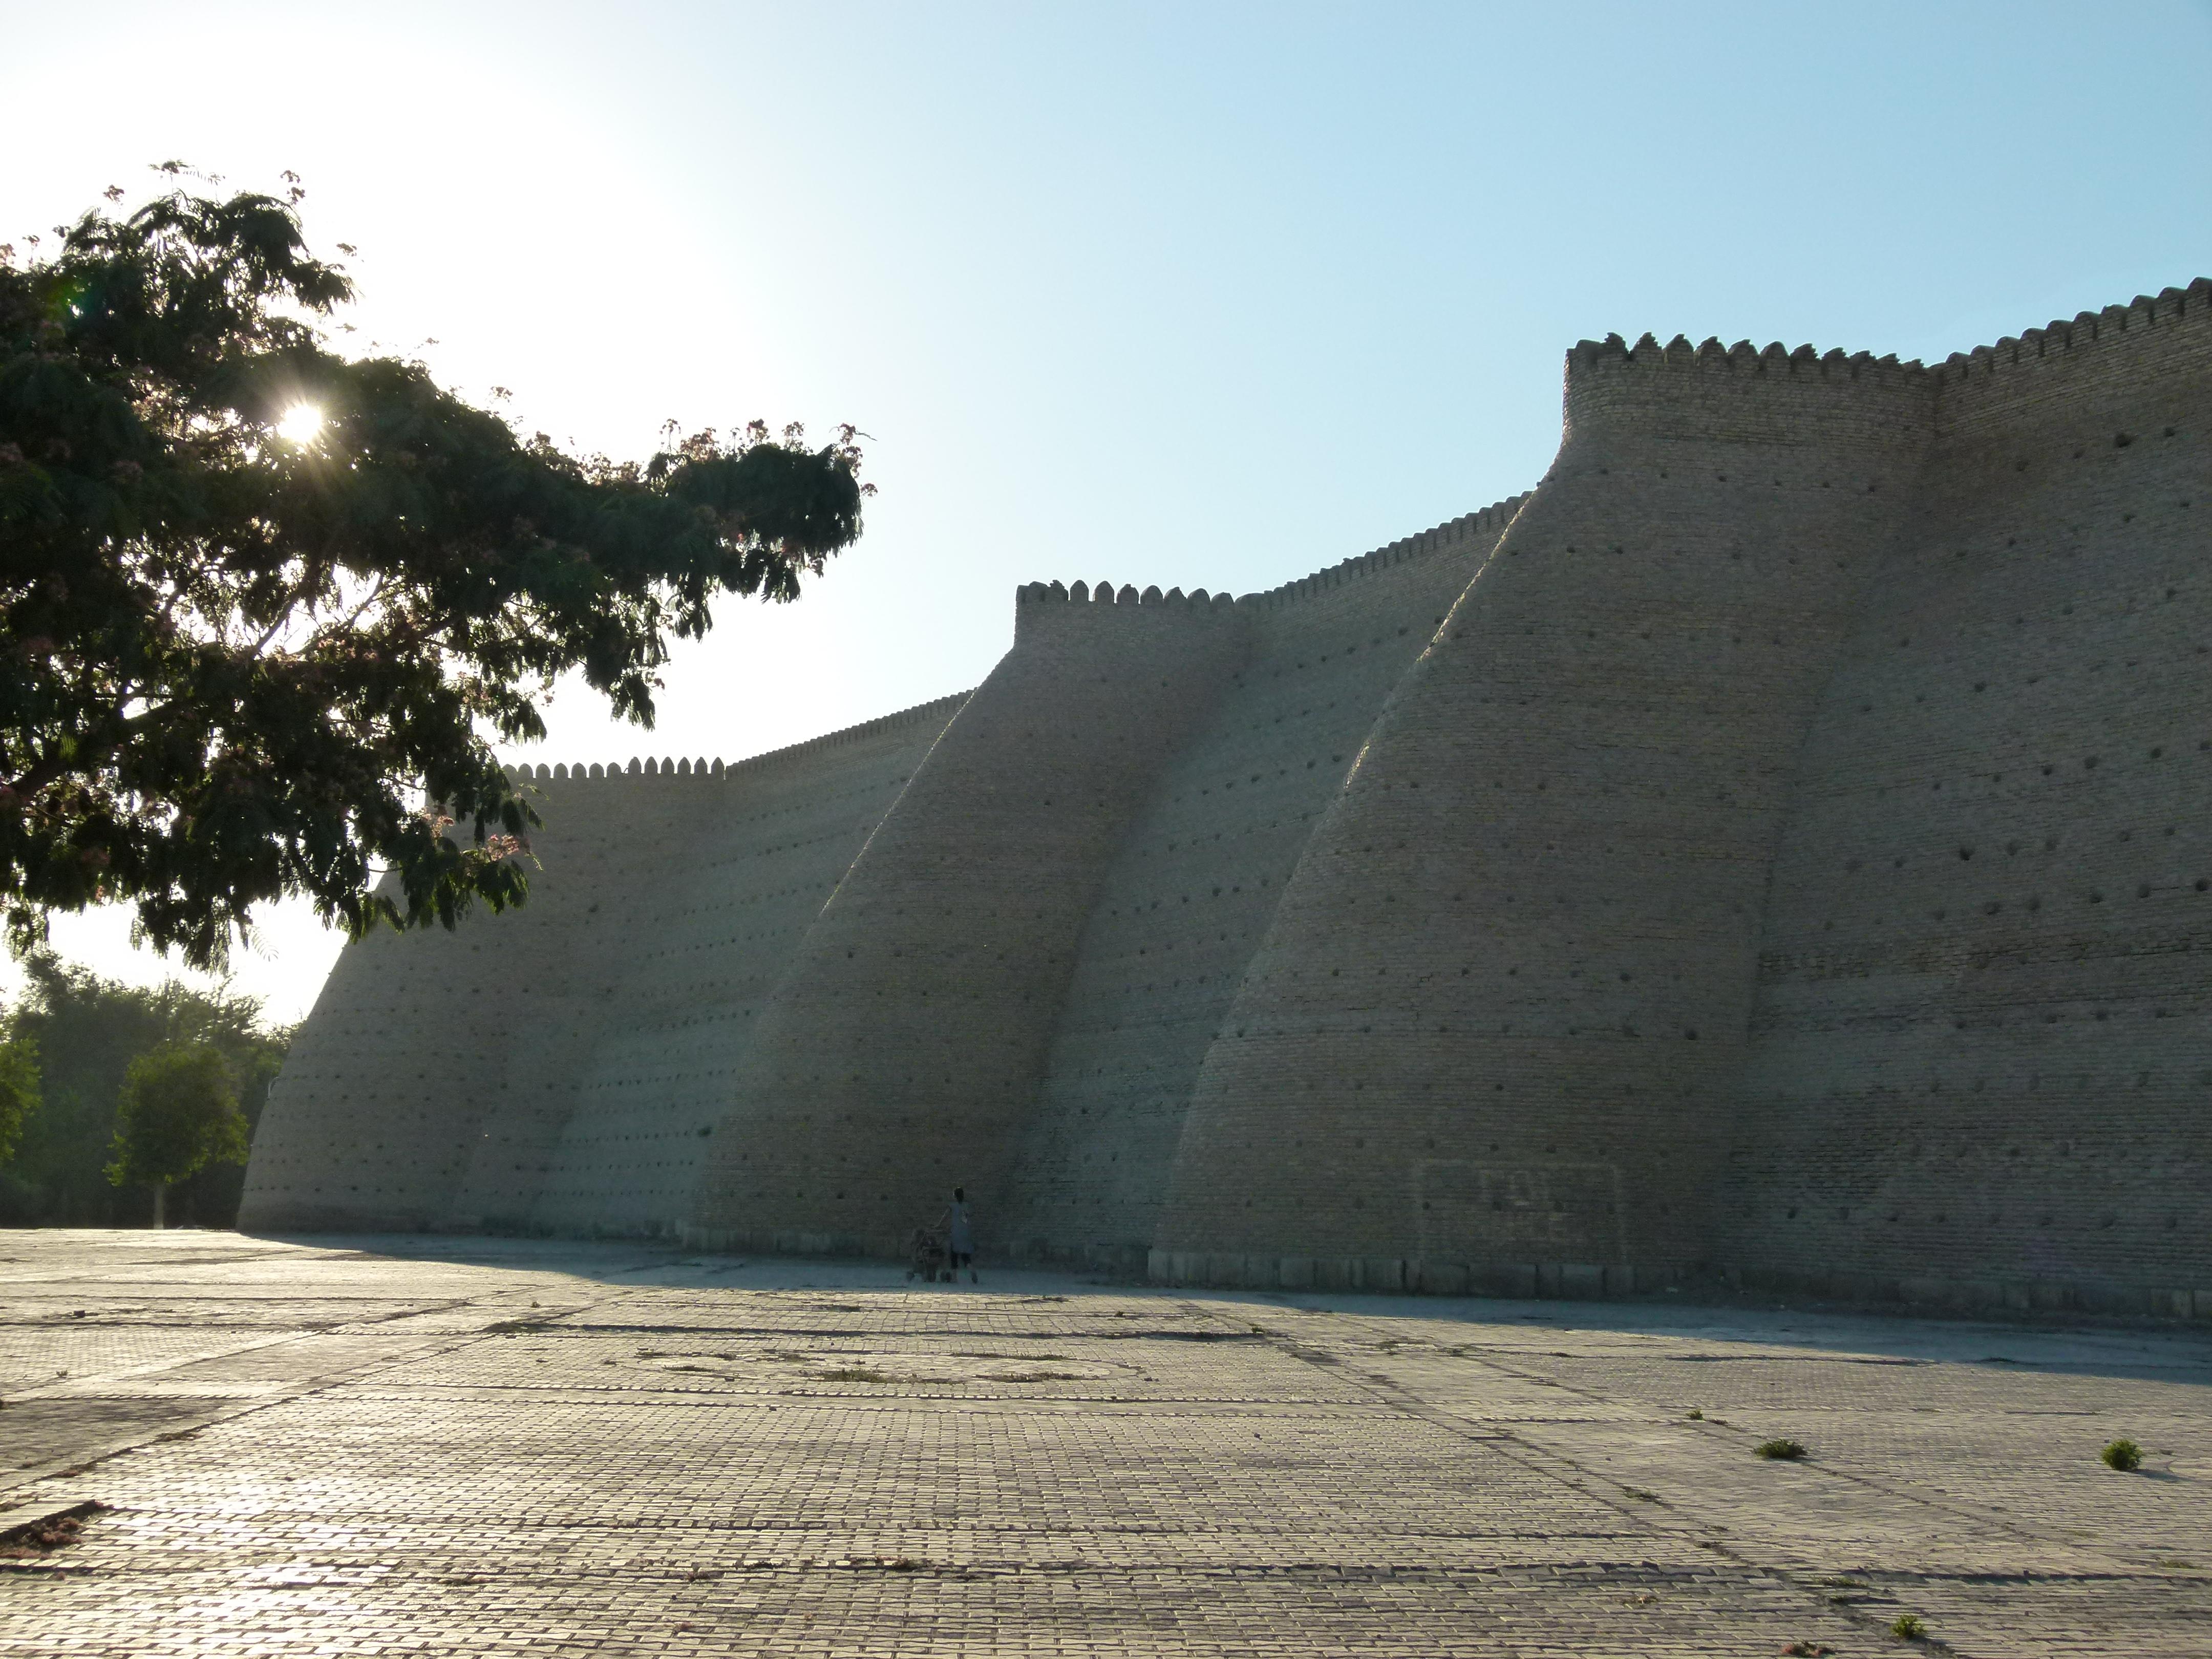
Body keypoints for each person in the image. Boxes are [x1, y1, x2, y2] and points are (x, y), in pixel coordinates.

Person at [941, 1187, 976, 1283]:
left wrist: (939, 1224)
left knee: (954, 1255)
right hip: (966, 1233)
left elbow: (945, 1216)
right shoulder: (966, 1205)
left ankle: (954, 1278)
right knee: (965, 1256)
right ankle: (971, 1269)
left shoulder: (952, 1206)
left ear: (955, 1195)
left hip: (956, 1234)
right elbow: (967, 1218)